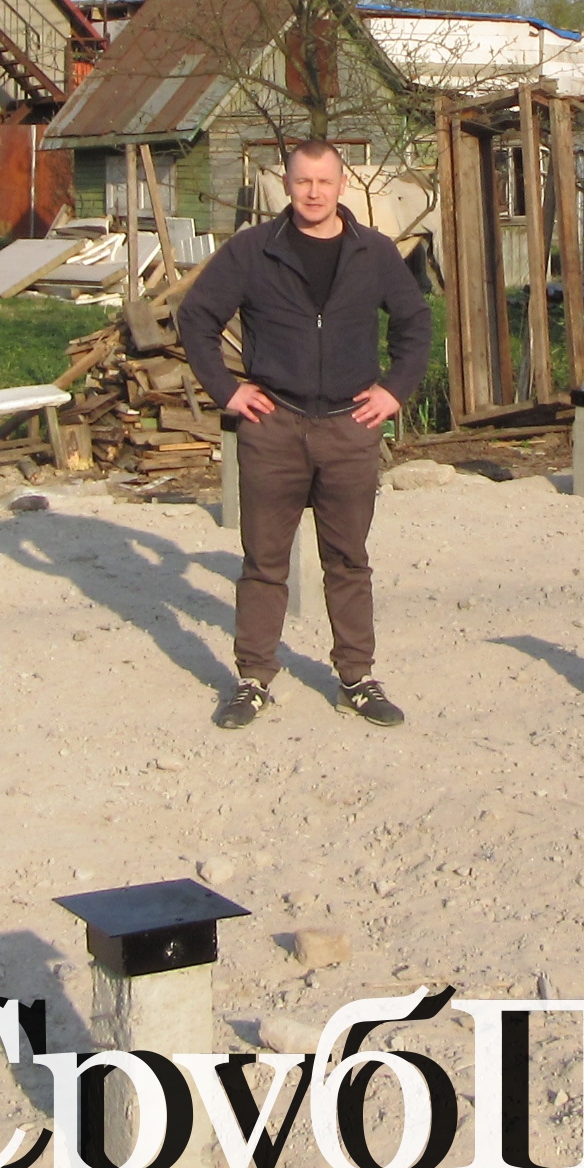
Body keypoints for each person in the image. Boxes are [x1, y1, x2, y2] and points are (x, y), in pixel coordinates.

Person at [174, 137, 432, 730]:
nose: (313, 193)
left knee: (348, 560)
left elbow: (415, 322)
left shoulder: (374, 252)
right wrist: (227, 390)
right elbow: (197, 317)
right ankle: (253, 678)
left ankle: (356, 679)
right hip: (274, 426)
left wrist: (394, 390)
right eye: (302, 181)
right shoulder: (252, 250)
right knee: (264, 561)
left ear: (342, 185)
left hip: (350, 427)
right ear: (286, 184)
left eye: (324, 182)